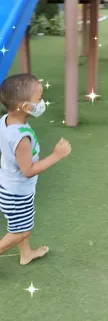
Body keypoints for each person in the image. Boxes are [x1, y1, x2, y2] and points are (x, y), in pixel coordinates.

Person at [0, 73, 71, 265]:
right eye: (39, 99)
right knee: (22, 230)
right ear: (25, 107)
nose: (42, 103)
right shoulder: (21, 138)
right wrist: (56, 155)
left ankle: (26, 254)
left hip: (11, 186)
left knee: (19, 225)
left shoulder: (6, 119)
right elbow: (28, 170)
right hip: (16, 193)